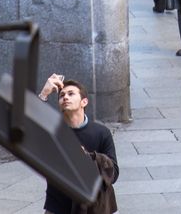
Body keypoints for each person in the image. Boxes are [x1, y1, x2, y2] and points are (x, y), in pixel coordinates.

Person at [35, 75, 119, 214]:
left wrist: (88, 157)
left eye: (71, 94)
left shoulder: (101, 132)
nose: (65, 97)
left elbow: (113, 174)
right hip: (59, 206)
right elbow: (28, 129)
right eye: (61, 95)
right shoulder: (53, 132)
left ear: (84, 102)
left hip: (98, 207)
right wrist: (44, 94)